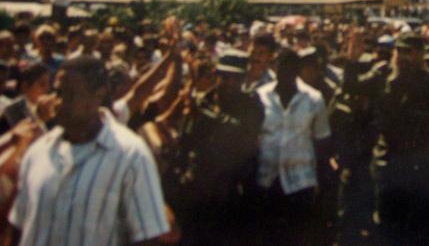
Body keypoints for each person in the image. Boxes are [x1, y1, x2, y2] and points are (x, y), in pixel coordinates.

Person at [8, 55, 170, 246]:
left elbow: (149, 237)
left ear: (98, 96)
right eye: (57, 92)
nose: (58, 102)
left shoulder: (130, 156)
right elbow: (18, 227)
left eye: (70, 95)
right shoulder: (38, 152)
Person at [345, 32, 429, 245]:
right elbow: (351, 86)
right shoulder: (382, 75)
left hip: (421, 166)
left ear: (420, 54)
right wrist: (352, 61)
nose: (403, 57)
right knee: (387, 224)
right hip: (388, 163)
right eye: (399, 51)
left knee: (420, 226)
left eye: (408, 52)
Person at [162, 49, 263, 246]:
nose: (230, 83)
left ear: (244, 78)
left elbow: (242, 133)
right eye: (225, 77)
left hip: (230, 191)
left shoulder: (251, 105)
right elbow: (187, 141)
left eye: (236, 78)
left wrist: (207, 115)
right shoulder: (205, 101)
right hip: (197, 189)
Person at [254, 48, 332, 245]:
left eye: (290, 68)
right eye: (281, 68)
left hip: (300, 182)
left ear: (297, 70)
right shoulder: (261, 96)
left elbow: (322, 139)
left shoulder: (314, 99)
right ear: (275, 67)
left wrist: (321, 181)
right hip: (267, 179)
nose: (285, 73)